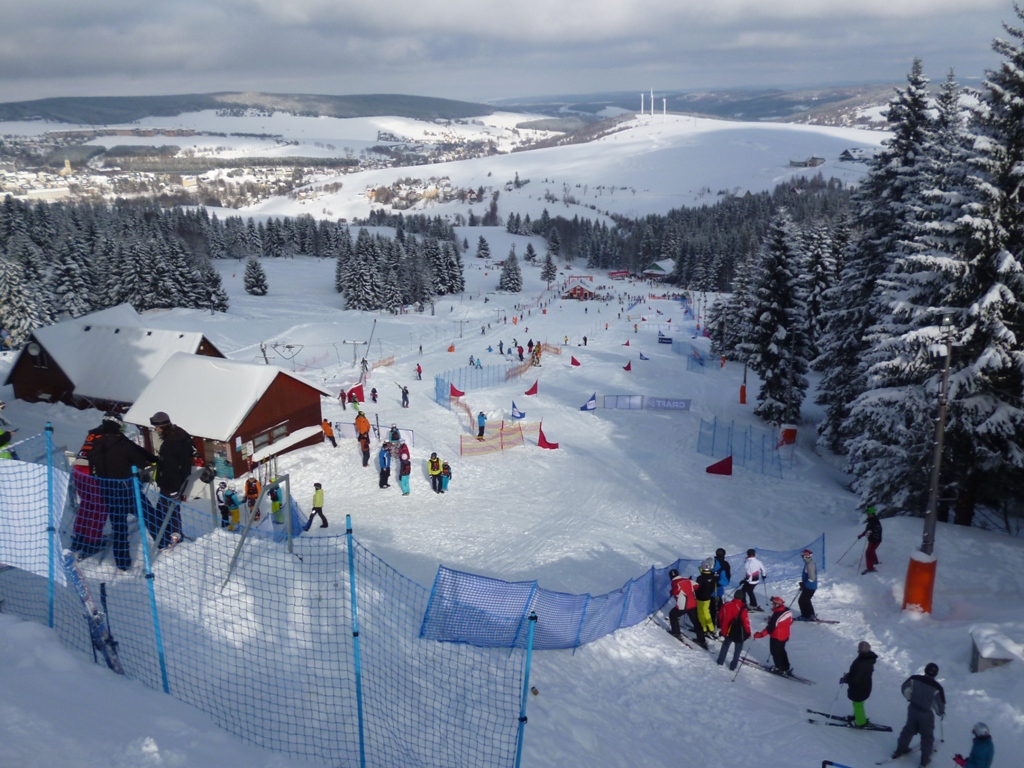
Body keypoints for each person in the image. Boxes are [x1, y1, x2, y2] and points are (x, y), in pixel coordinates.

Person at [87, 416, 158, 571]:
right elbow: (141, 461)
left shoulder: (96, 445)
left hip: (108, 491)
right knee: (149, 514)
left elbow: (92, 469)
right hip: (127, 490)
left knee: (118, 526)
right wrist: (151, 461)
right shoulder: (123, 444)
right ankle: (163, 542)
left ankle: (122, 562)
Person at [149, 411, 195, 549]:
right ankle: (173, 535)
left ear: (162, 427)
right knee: (167, 510)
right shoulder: (180, 434)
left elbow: (171, 468)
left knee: (169, 511)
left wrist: (174, 490)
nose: (156, 430)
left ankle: (174, 538)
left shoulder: (171, 444)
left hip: (170, 484)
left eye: (156, 427)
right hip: (177, 480)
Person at [892, 663, 946, 766]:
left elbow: (904, 688)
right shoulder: (937, 687)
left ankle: (900, 750)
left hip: (913, 709)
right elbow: (939, 706)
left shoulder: (914, 679)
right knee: (927, 737)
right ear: (935, 674)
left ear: (925, 670)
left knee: (908, 730)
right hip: (926, 715)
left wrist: (910, 698)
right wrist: (940, 712)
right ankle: (924, 760)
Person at [754, 596, 793, 675]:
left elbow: (770, 628)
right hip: (785, 635)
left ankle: (779, 667)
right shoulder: (788, 611)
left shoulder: (776, 616)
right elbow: (791, 621)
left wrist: (760, 635)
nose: (772, 605)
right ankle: (786, 666)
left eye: (773, 604)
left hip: (776, 637)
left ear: (777, 605)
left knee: (775, 652)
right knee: (782, 650)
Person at [842, 640, 877, 727]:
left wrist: (846, 679)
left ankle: (861, 722)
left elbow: (855, 678)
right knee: (857, 702)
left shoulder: (861, 661)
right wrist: (849, 675)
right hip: (864, 686)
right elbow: (858, 673)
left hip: (859, 688)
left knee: (858, 704)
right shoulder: (867, 659)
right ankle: (857, 716)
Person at [668, 569, 705, 649]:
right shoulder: (687, 580)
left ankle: (676, 633)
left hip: (684, 605)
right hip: (693, 604)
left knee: (672, 615)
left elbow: (675, 591)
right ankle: (701, 640)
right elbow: (697, 585)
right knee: (696, 622)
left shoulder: (675, 582)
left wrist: (671, 592)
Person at [716, 590, 750, 671]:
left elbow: (720, 616)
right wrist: (748, 632)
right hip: (738, 632)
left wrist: (722, 627)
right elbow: (746, 621)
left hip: (727, 630)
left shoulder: (726, 605)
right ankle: (733, 666)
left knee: (725, 646)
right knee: (737, 650)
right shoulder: (742, 608)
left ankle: (720, 661)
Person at [695, 558, 718, 638]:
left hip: (700, 598)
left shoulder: (700, 578)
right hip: (708, 597)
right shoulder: (713, 576)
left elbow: (697, 587)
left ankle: (705, 628)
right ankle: (710, 628)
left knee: (701, 613)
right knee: (706, 612)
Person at [711, 547, 731, 629]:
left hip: (709, 589)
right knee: (718, 608)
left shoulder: (711, 561)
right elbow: (726, 581)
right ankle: (718, 624)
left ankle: (711, 625)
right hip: (718, 590)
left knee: (712, 608)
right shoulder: (725, 564)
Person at [859, 506, 883, 573]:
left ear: (873, 514)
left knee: (868, 553)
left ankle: (870, 568)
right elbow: (868, 530)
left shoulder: (874, 521)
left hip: (875, 540)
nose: (868, 515)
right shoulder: (873, 520)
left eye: (869, 513)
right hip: (874, 540)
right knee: (872, 551)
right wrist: (862, 535)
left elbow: (871, 530)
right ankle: (875, 561)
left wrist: (866, 534)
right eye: (867, 513)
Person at [797, 549, 817, 620]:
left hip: (810, 586)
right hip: (810, 586)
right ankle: (811, 615)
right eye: (803, 554)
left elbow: (812, 578)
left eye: (805, 554)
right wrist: (804, 584)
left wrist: (804, 584)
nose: (803, 556)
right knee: (806, 600)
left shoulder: (809, 564)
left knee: (802, 601)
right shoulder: (808, 563)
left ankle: (806, 616)